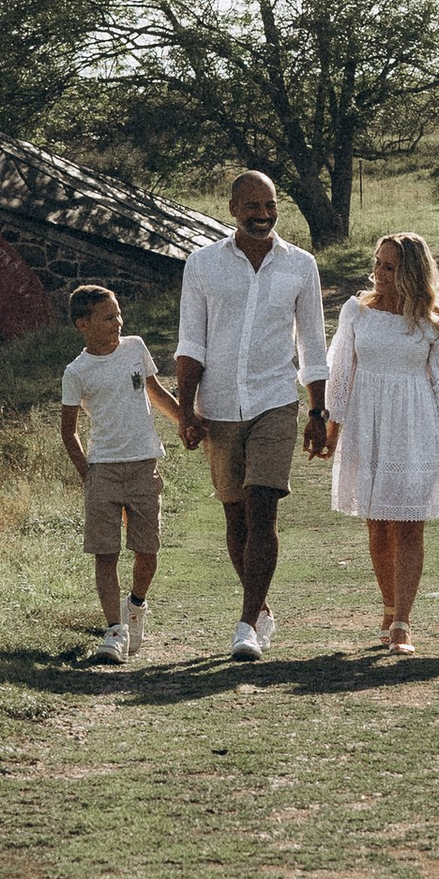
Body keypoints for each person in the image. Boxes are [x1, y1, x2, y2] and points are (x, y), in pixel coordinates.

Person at [173, 170, 329, 664]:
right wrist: (186, 410)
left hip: (275, 401)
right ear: (233, 207)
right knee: (235, 516)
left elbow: (313, 346)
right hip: (218, 407)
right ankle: (260, 609)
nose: (262, 215)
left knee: (263, 508)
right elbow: (190, 343)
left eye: (271, 206)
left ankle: (244, 624)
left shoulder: (300, 266)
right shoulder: (202, 265)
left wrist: (318, 411)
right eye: (253, 206)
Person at [323, 231, 439, 655]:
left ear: (412, 272)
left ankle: (403, 620)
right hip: (368, 423)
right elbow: (341, 372)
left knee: (409, 524)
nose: (380, 274)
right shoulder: (356, 312)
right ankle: (387, 605)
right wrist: (332, 429)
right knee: (378, 524)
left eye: (391, 267)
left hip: (414, 424)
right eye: (378, 264)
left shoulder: (435, 323)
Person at [58, 282, 181, 666]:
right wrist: (88, 474)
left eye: (118, 314)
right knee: (106, 554)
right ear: (84, 324)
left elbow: (156, 392)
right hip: (104, 472)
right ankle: (114, 630)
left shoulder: (135, 348)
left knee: (148, 549)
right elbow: (68, 429)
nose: (118, 321)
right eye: (109, 317)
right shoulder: (76, 372)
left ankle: (136, 607)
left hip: (144, 463)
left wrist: (187, 421)